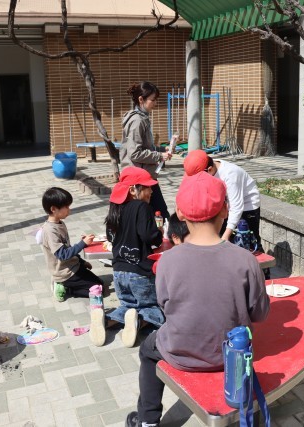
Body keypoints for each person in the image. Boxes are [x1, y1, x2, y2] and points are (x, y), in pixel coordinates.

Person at [126, 171, 270, 427]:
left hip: (178, 351)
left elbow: (165, 306)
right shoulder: (246, 260)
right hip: (231, 356)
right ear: (225, 210)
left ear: (180, 214)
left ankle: (148, 420)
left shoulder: (168, 260)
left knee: (147, 351)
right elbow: (259, 313)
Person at [103, 166, 164, 348]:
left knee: (128, 306)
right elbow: (149, 236)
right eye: (147, 187)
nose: (151, 191)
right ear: (132, 190)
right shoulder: (142, 207)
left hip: (119, 272)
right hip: (139, 273)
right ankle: (139, 322)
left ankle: (107, 320)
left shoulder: (115, 208)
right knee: (153, 308)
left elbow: (110, 236)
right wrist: (159, 232)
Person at [183, 149, 269, 278]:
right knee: (225, 241)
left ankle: (263, 276)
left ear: (210, 169)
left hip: (247, 206)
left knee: (249, 241)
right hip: (225, 205)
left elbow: (237, 207)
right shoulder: (204, 171)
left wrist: (225, 236)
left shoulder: (230, 174)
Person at [39, 187, 106, 344]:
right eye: (66, 207)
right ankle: (65, 287)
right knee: (98, 290)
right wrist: (82, 244)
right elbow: (62, 254)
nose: (69, 210)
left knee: (99, 284)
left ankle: (70, 284)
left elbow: (68, 249)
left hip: (73, 266)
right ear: (54, 209)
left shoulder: (59, 223)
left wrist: (82, 262)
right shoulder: (50, 231)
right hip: (65, 272)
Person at [120, 81, 174, 220]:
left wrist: (162, 149)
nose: (155, 103)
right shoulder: (137, 121)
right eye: (153, 100)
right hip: (139, 178)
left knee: (154, 215)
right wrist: (159, 155)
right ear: (141, 99)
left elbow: (144, 147)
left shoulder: (142, 118)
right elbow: (135, 153)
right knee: (160, 215)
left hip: (144, 175)